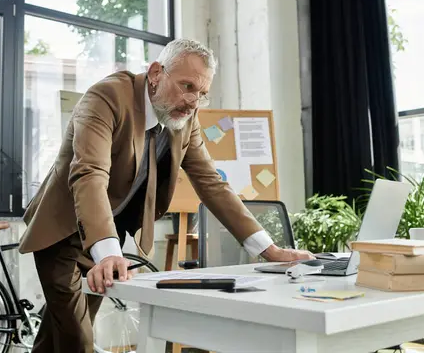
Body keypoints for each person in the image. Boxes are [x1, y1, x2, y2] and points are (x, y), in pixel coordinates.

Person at [18, 38, 314, 352]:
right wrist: (107, 254)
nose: (193, 102)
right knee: (77, 339)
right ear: (157, 73)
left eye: (201, 93)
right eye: (187, 86)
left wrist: (269, 251)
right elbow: (89, 173)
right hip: (65, 228)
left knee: (59, 336)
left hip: (108, 234)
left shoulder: (184, 121)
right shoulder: (107, 97)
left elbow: (212, 183)